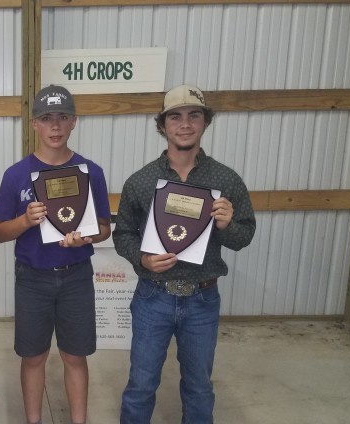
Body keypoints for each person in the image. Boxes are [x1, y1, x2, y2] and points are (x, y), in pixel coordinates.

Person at [113, 84, 256, 423]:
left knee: (199, 386)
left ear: (205, 122)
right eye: (175, 116)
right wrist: (143, 259)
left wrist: (226, 225)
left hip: (202, 300)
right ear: (162, 126)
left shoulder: (226, 180)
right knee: (141, 384)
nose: (185, 124)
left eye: (194, 115)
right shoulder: (142, 181)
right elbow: (123, 234)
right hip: (153, 296)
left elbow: (244, 236)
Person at [0, 85, 112, 424]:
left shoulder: (91, 172)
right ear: (34, 124)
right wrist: (24, 220)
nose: (55, 126)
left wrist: (84, 237)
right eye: (47, 119)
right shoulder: (16, 175)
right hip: (32, 278)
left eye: (62, 118)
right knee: (33, 357)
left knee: (75, 356)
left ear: (74, 121)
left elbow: (103, 227)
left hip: (76, 276)